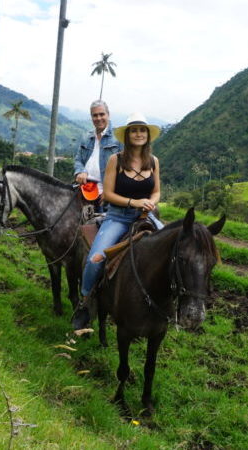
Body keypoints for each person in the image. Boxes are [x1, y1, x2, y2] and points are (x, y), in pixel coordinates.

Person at [72, 112, 164, 330]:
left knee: (176, 246)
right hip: (118, 217)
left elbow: (157, 191)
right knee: (95, 259)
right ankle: (85, 303)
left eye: (142, 130)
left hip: (145, 216)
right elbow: (109, 195)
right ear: (128, 135)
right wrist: (135, 202)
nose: (139, 134)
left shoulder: (153, 161)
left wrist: (150, 202)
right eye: (134, 130)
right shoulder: (116, 160)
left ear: (148, 135)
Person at [74, 100, 122, 200]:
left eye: (102, 114)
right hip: (85, 190)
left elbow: (124, 168)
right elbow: (78, 160)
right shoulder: (86, 137)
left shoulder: (119, 138)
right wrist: (80, 172)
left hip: (107, 195)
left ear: (108, 115)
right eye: (95, 115)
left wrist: (109, 191)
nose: (98, 118)